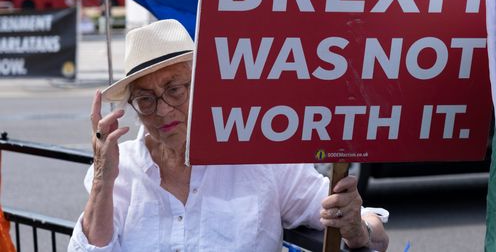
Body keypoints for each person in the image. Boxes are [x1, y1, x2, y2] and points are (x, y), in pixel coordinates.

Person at [69, 19, 389, 251]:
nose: (163, 110)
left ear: (204, 85)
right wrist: (102, 179)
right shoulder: (120, 169)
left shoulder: (259, 157)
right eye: (145, 99)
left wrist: (356, 231)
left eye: (175, 90)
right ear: (133, 107)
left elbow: (370, 227)